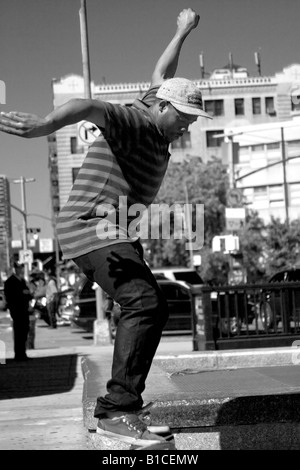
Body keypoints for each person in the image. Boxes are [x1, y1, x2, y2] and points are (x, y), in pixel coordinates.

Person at [0, 8, 212, 447]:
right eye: (184, 116)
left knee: (148, 308)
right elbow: (88, 106)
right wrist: (44, 126)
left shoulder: (154, 105)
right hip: (90, 225)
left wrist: (181, 30)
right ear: (160, 106)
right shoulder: (135, 120)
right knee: (144, 302)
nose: (188, 125)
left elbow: (162, 71)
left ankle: (125, 407)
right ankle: (117, 411)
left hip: (116, 231)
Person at [4, 262, 33, 361]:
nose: (19, 270)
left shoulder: (22, 281)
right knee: (18, 332)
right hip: (17, 310)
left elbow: (28, 293)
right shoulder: (10, 281)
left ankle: (23, 353)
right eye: (18, 268)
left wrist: (28, 294)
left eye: (21, 268)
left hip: (24, 309)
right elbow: (9, 296)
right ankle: (18, 354)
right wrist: (22, 293)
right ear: (14, 269)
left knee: (25, 331)